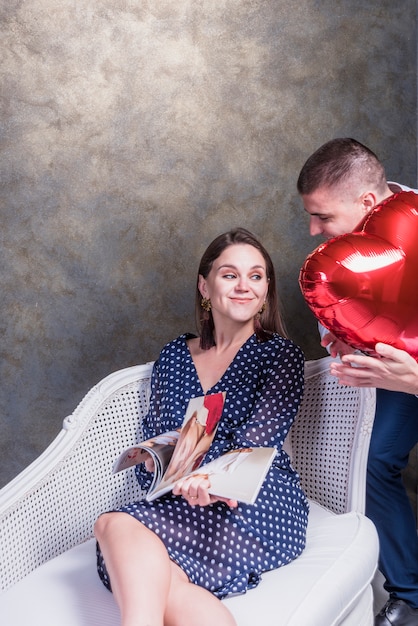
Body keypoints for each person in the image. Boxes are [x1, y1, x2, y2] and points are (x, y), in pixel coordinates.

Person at [94, 227, 309, 626]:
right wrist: (152, 462)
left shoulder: (279, 355)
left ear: (265, 290)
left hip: (254, 503)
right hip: (180, 497)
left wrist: (213, 484)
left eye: (256, 276)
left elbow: (257, 445)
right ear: (204, 286)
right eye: (230, 275)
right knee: (161, 575)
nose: (244, 286)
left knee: (115, 526)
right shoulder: (175, 354)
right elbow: (163, 438)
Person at [297, 137, 418, 626]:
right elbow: (334, 328)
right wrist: (344, 346)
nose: (312, 230)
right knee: (374, 464)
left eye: (323, 217)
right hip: (392, 373)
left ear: (369, 203)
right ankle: (411, 594)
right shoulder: (334, 260)